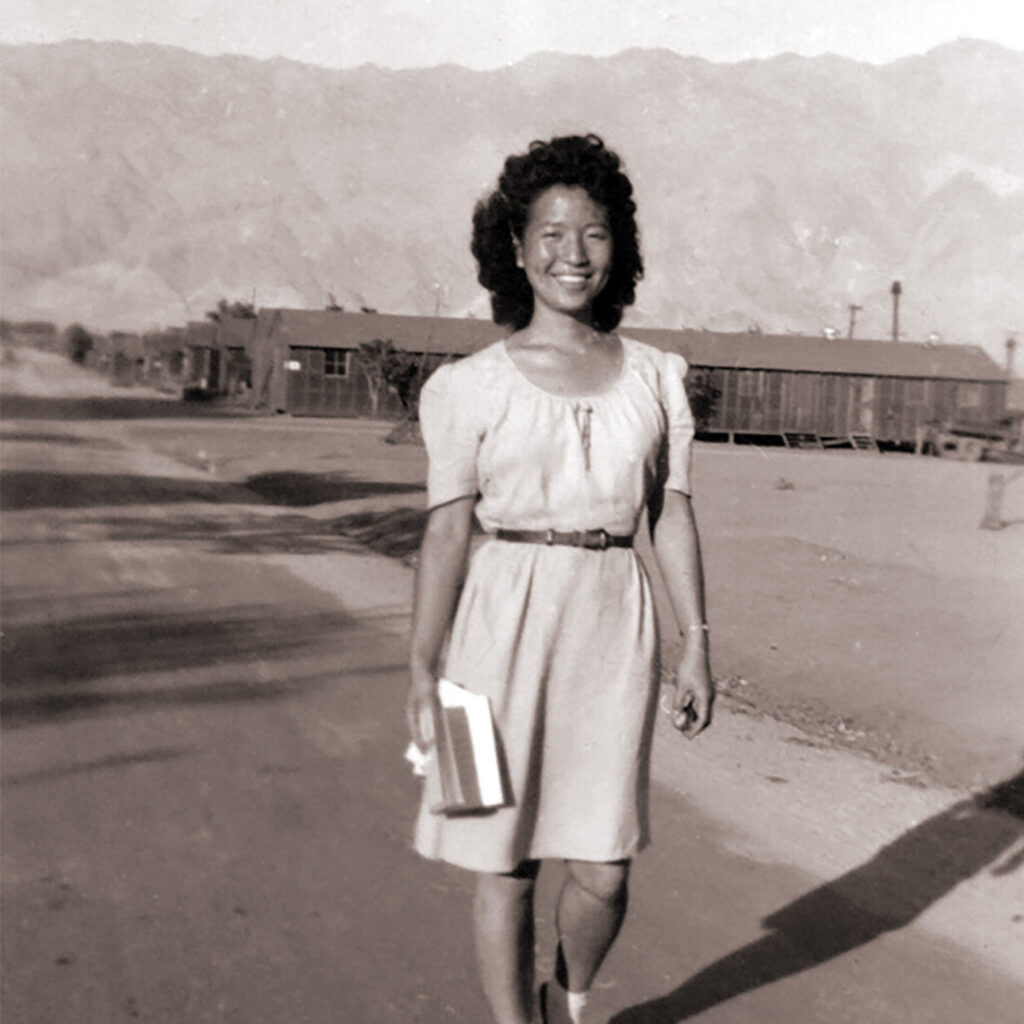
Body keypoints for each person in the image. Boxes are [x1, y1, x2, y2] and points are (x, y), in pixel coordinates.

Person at [406, 133, 715, 1024]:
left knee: (605, 866)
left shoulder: (658, 377)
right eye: (550, 233)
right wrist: (422, 670)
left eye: (594, 233)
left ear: (619, 249)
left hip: (612, 627)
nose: (572, 254)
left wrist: (697, 644)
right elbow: (446, 532)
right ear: (515, 246)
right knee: (496, 859)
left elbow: (670, 514)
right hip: (486, 639)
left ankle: (565, 1000)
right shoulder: (464, 387)